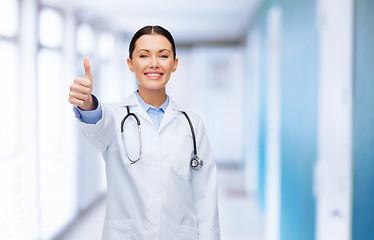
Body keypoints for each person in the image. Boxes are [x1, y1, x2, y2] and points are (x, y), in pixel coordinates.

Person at [68, 25, 220, 240]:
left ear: (174, 63)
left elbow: (206, 199)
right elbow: (98, 120)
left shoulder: (192, 125)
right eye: (144, 55)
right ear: (130, 63)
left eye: (163, 55)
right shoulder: (115, 117)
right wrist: (87, 103)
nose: (154, 63)